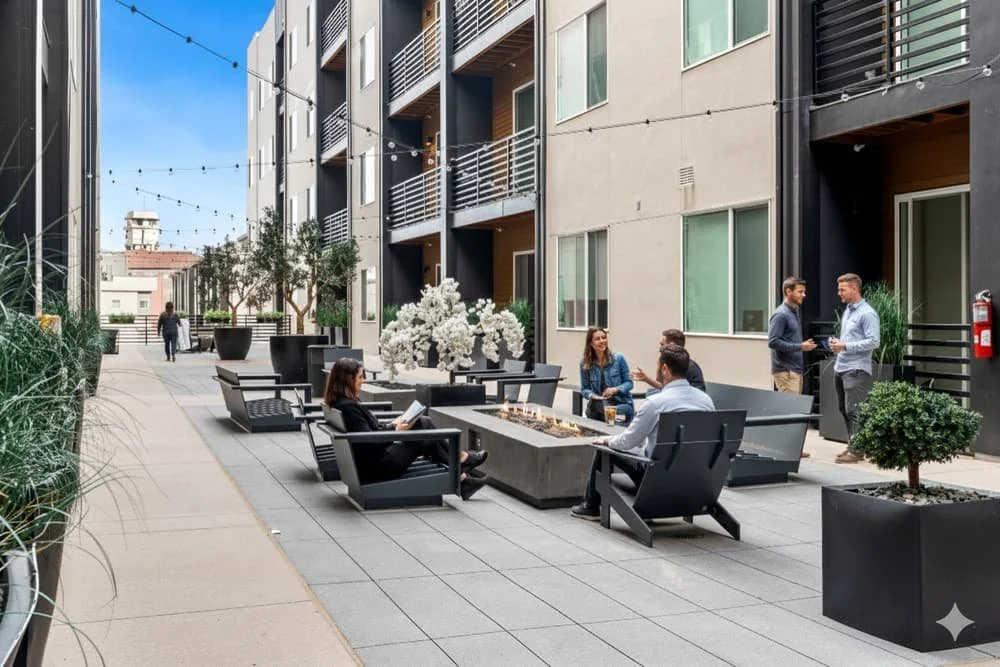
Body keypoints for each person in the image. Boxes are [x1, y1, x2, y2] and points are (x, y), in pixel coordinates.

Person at [571, 344, 715, 519]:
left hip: (657, 478)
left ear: (665, 369)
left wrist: (607, 440)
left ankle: (591, 506)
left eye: (658, 365)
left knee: (604, 450)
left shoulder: (655, 403)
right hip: (694, 480)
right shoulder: (706, 401)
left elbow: (627, 442)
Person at [324, 358, 488, 499]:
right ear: (347, 380)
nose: (363, 380)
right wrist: (396, 431)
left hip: (372, 460)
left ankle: (463, 476)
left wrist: (393, 424)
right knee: (424, 425)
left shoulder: (341, 403)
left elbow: (368, 432)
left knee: (425, 428)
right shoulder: (349, 408)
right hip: (380, 465)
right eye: (360, 377)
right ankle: (462, 462)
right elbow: (368, 440)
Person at [829, 273, 880, 464]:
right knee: (844, 409)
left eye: (842, 289)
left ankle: (857, 450)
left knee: (855, 410)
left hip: (857, 369)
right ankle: (853, 445)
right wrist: (838, 343)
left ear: (854, 288)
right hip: (841, 366)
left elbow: (874, 341)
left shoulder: (867, 313)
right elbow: (850, 338)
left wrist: (846, 346)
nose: (839, 293)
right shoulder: (848, 311)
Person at [768, 277, 817, 458]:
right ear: (788, 292)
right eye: (800, 291)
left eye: (804, 291)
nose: (804, 295)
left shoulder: (793, 312)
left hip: (795, 369)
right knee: (789, 410)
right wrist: (800, 347)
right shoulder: (781, 314)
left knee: (794, 409)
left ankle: (792, 448)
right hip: (785, 370)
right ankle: (787, 450)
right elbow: (773, 342)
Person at [579, 327, 635, 425]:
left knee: (607, 410)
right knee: (598, 405)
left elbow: (629, 383)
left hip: (621, 404)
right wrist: (593, 395)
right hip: (599, 404)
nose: (602, 341)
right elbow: (584, 389)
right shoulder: (585, 363)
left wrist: (614, 390)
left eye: (604, 337)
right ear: (591, 343)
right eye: (597, 339)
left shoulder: (619, 359)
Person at [632, 329, 706, 393]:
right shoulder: (672, 364)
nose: (660, 348)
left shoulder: (687, 366)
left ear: (672, 345)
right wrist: (646, 379)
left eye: (662, 345)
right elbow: (665, 387)